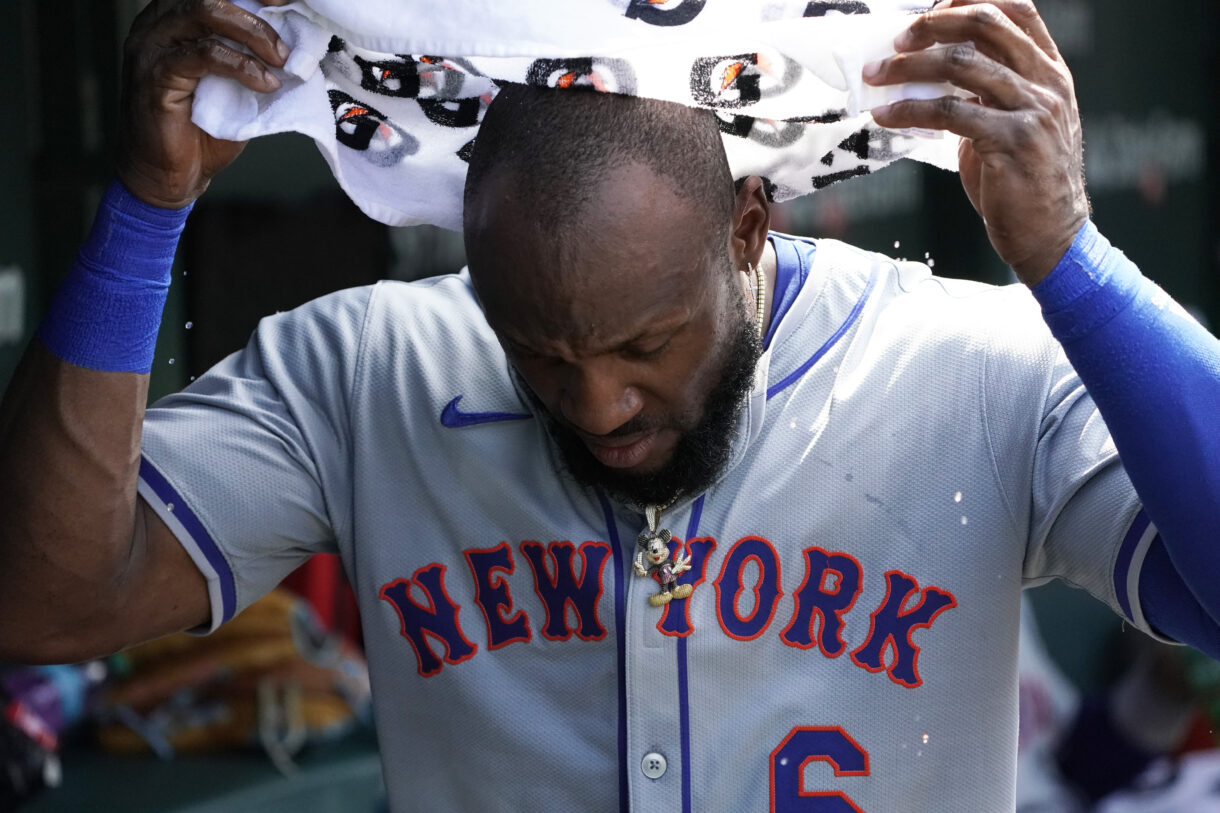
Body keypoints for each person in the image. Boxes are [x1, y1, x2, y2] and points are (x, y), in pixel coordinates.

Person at [1, 0, 1217, 809]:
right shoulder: (365, 369)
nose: (595, 403)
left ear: (748, 222)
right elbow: (48, 600)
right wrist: (142, 215)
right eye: (534, 343)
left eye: (645, 341)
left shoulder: (970, 361)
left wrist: (1071, 260)